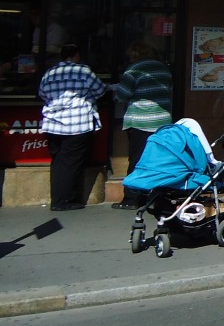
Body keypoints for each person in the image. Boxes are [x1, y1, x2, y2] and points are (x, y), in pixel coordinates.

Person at [38, 43, 107, 211]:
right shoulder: (83, 71)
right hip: (77, 124)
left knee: (58, 162)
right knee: (71, 163)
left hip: (53, 124)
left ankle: (58, 198)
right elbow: (100, 91)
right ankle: (64, 201)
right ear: (76, 55)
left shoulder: (50, 72)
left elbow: (42, 93)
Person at [110, 42, 174, 209]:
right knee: (156, 161)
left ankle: (131, 199)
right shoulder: (163, 68)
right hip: (162, 121)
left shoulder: (134, 69)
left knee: (137, 160)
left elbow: (122, 95)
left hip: (141, 121)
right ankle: (153, 197)